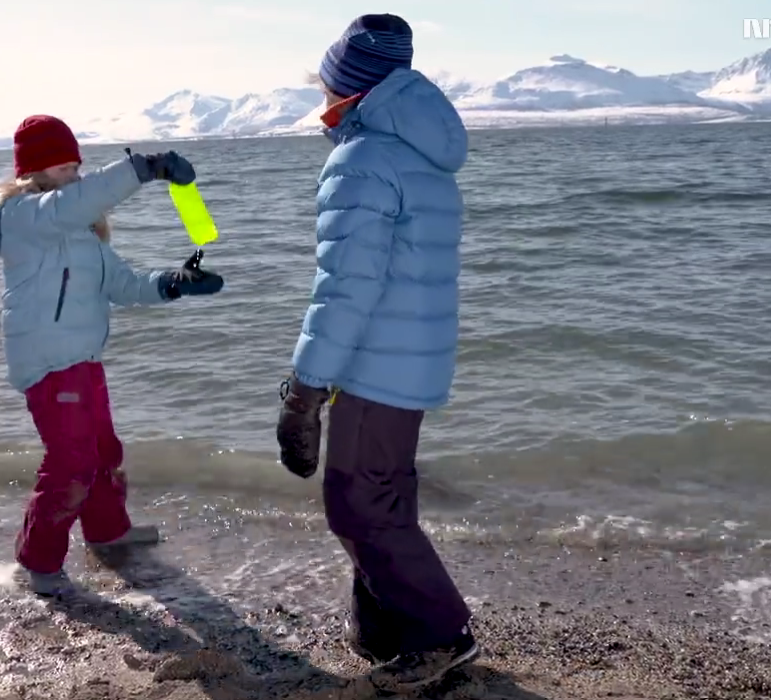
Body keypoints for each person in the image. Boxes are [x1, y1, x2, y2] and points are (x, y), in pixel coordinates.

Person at [274, 13, 478, 691]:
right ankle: (385, 626)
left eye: (325, 85)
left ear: (349, 88)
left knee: (357, 504)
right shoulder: (418, 152)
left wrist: (305, 390)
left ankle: (441, 635)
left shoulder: (363, 158)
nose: (321, 99)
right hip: (413, 356)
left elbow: (346, 287)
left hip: (375, 363)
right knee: (383, 494)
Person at [0, 115, 224, 596]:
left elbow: (123, 284)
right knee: (70, 463)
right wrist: (145, 168)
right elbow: (74, 204)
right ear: (32, 172)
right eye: (64, 168)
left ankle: (108, 532)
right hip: (48, 364)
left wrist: (173, 284)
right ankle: (37, 562)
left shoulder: (82, 235)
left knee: (103, 453)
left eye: (77, 167)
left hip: (83, 360)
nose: (75, 176)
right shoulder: (21, 217)